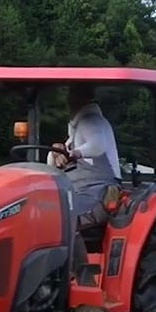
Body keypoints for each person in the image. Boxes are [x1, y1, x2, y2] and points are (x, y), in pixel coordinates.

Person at [48, 84, 123, 230]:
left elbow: (97, 144)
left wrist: (76, 153)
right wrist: (55, 153)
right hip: (75, 188)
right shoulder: (77, 129)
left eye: (73, 96)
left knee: (63, 218)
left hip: (97, 189)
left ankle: (72, 251)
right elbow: (59, 160)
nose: (69, 101)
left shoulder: (93, 121)